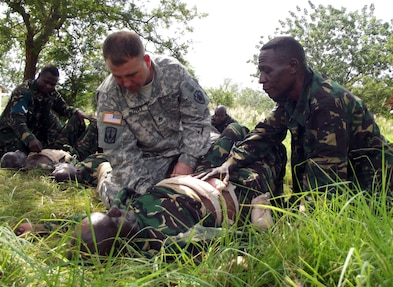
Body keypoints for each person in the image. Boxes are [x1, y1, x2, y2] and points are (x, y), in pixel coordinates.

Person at [14, 123, 286, 257]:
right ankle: (282, 198)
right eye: (114, 218)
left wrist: (40, 227)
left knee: (236, 131)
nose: (116, 210)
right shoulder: (169, 241)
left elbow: (79, 225)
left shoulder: (126, 217)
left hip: (198, 175)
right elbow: (229, 239)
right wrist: (261, 226)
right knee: (273, 151)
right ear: (119, 239)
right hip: (235, 190)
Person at [201, 36, 393, 208]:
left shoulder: (326, 104)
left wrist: (301, 223)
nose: (261, 80)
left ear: (293, 66)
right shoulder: (291, 99)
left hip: (366, 189)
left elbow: (326, 181)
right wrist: (229, 163)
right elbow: (263, 135)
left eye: (267, 71)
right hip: (335, 180)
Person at [96, 31, 212, 207]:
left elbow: (197, 119)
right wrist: (147, 191)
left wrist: (187, 160)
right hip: (149, 159)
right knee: (122, 199)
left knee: (226, 157)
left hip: (186, 146)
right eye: (118, 77)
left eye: (131, 75)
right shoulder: (108, 95)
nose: (126, 83)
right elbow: (120, 151)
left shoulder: (173, 71)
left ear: (147, 61)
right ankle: (105, 174)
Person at [0, 65, 96, 159]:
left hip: (37, 136)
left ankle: (68, 153)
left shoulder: (51, 93)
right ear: (39, 77)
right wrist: (29, 139)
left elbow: (63, 108)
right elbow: (17, 120)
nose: (48, 86)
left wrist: (77, 112)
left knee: (76, 117)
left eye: (52, 84)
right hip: (12, 135)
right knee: (17, 158)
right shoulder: (23, 92)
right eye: (45, 82)